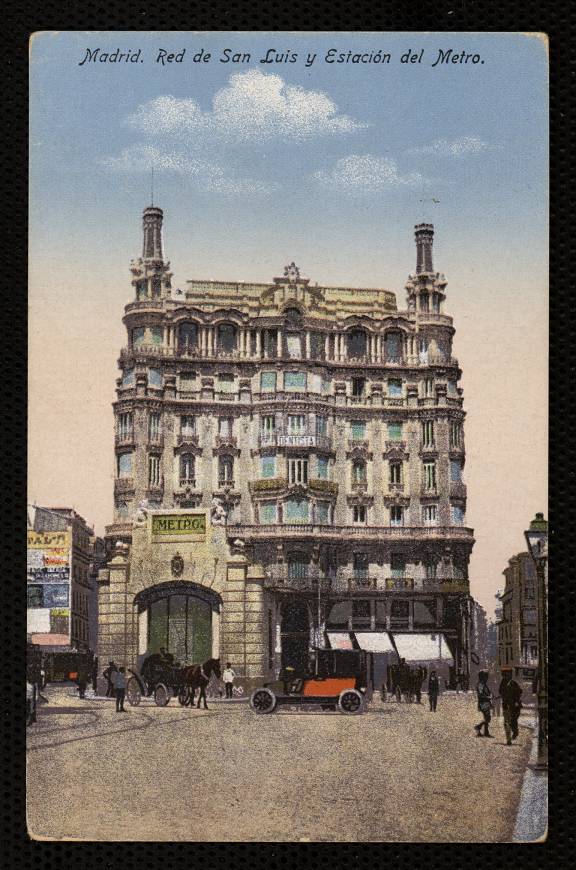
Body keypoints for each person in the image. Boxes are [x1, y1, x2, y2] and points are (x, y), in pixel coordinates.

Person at [499, 668, 523, 745]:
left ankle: (515, 731)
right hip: (506, 706)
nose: (506, 676)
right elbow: (501, 692)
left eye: (508, 674)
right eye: (505, 675)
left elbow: (520, 691)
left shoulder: (514, 683)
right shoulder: (502, 683)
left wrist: (515, 699)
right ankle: (508, 739)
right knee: (506, 723)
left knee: (513, 721)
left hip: (514, 706)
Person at [474, 670, 494, 737]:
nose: (487, 678)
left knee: (487, 717)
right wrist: (489, 697)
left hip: (486, 703)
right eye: (486, 676)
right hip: (483, 703)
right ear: (482, 677)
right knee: (487, 718)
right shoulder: (480, 684)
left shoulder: (483, 684)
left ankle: (486, 732)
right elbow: (480, 695)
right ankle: (478, 726)